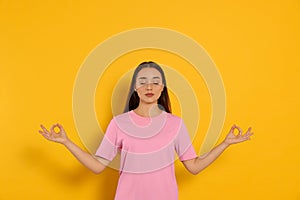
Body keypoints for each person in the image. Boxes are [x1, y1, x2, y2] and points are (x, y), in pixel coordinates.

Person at [39, 61, 254, 200]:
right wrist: (66, 141)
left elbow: (194, 166)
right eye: (143, 82)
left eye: (155, 82)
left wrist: (226, 143)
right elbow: (97, 166)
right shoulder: (119, 123)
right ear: (135, 87)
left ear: (162, 88)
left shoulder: (176, 124)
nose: (149, 87)